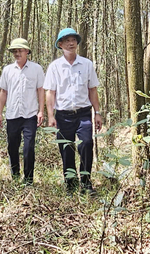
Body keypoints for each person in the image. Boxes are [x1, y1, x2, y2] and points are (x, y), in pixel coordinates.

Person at [44, 28, 102, 193]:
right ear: (60, 44)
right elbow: (51, 92)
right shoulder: (55, 67)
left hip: (84, 113)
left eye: (73, 40)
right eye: (67, 40)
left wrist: (97, 113)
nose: (71, 43)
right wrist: (50, 116)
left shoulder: (86, 64)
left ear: (77, 43)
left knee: (86, 144)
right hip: (63, 115)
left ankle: (86, 182)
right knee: (66, 149)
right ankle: (70, 183)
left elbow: (92, 90)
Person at [0, 38, 45, 184]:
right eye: (15, 51)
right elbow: (3, 91)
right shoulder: (7, 70)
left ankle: (29, 179)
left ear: (27, 52)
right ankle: (15, 175)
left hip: (30, 114)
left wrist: (41, 111)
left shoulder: (36, 69)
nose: (17, 53)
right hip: (12, 114)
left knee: (29, 147)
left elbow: (41, 90)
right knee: (12, 146)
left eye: (20, 50)